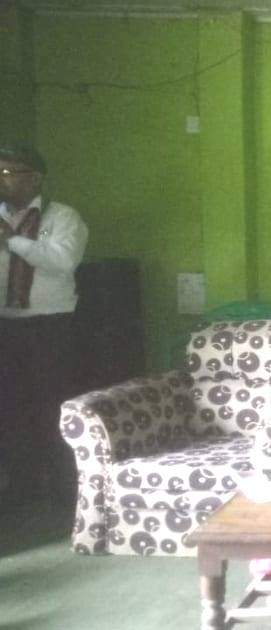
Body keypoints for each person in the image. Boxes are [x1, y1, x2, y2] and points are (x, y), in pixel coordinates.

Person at [0, 145, 88, 506]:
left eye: (8, 173)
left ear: (35, 178)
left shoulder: (63, 217)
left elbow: (63, 260)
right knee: (11, 408)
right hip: (6, 327)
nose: (1, 180)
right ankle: (22, 490)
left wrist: (12, 241)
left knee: (54, 408)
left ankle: (65, 492)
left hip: (51, 329)